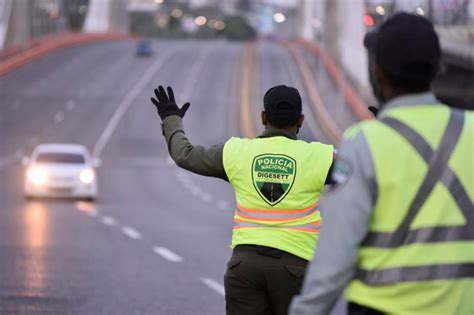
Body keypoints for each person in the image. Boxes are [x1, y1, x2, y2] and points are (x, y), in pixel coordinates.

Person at [289, 12, 474, 315]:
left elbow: (337, 251)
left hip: (383, 307)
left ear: (378, 71)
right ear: (439, 68)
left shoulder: (362, 143)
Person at [150, 84, 335, 314]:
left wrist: (171, 118)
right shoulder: (322, 157)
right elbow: (370, 168)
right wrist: (391, 132)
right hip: (295, 269)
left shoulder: (236, 152)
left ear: (263, 117)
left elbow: (184, 155)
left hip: (244, 269)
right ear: (301, 120)